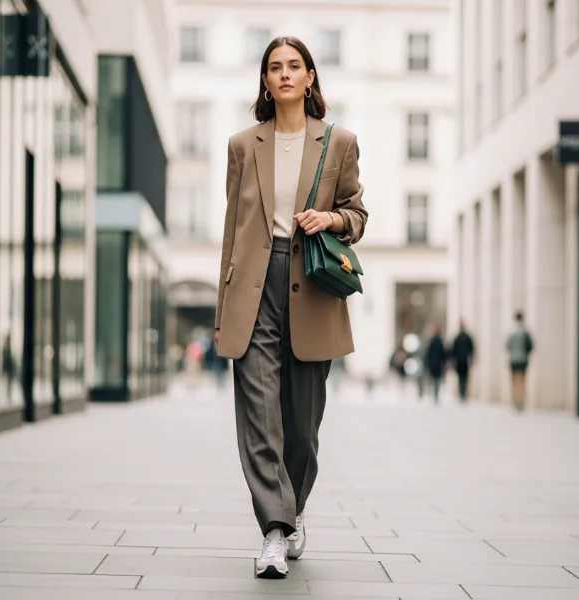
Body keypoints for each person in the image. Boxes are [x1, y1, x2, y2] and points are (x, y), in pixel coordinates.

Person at [213, 36, 368, 579]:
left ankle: (294, 506)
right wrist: (221, 312)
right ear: (264, 80)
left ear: (309, 77)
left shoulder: (339, 141)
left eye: (293, 66)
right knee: (259, 416)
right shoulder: (241, 145)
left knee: (302, 425)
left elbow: (357, 213)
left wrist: (332, 220)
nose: (283, 74)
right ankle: (274, 530)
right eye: (274, 67)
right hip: (253, 288)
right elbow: (233, 233)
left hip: (311, 286)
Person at [505, 311, 534, 411]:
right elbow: (530, 346)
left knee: (514, 381)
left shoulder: (511, 332)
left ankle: (515, 401)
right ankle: (521, 402)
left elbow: (507, 346)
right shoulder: (525, 331)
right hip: (523, 360)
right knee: (522, 381)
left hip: (513, 360)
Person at [450, 322, 475, 402]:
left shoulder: (458, 337)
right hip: (463, 361)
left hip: (460, 361)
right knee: (464, 378)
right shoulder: (466, 337)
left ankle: (462, 393)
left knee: (461, 378)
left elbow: (453, 350)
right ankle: (463, 393)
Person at [423, 323, 447, 404]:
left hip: (435, 363)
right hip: (435, 363)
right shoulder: (437, 341)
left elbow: (442, 353)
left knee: (435, 380)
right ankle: (435, 395)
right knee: (435, 380)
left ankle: (435, 395)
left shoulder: (434, 341)